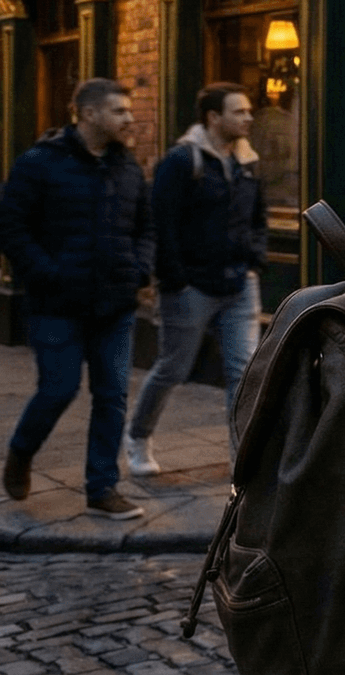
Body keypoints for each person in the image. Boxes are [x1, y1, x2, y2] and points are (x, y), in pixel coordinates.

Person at [0, 79, 151, 519]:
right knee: (59, 388)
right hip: (56, 305)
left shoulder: (127, 168)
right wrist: (48, 275)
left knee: (112, 395)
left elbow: (146, 227)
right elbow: (12, 227)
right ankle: (22, 452)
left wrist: (139, 268)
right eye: (119, 111)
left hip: (116, 303)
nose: (129, 118)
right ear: (87, 114)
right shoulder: (39, 164)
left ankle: (102, 488)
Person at [126, 82, 266, 476]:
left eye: (248, 110)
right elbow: (161, 223)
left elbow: (257, 217)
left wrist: (254, 260)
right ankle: (138, 437)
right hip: (192, 286)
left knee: (244, 371)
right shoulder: (182, 161)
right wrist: (177, 280)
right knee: (173, 367)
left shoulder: (247, 161)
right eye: (239, 111)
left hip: (239, 283)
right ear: (214, 118)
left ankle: (244, 460)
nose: (248, 117)